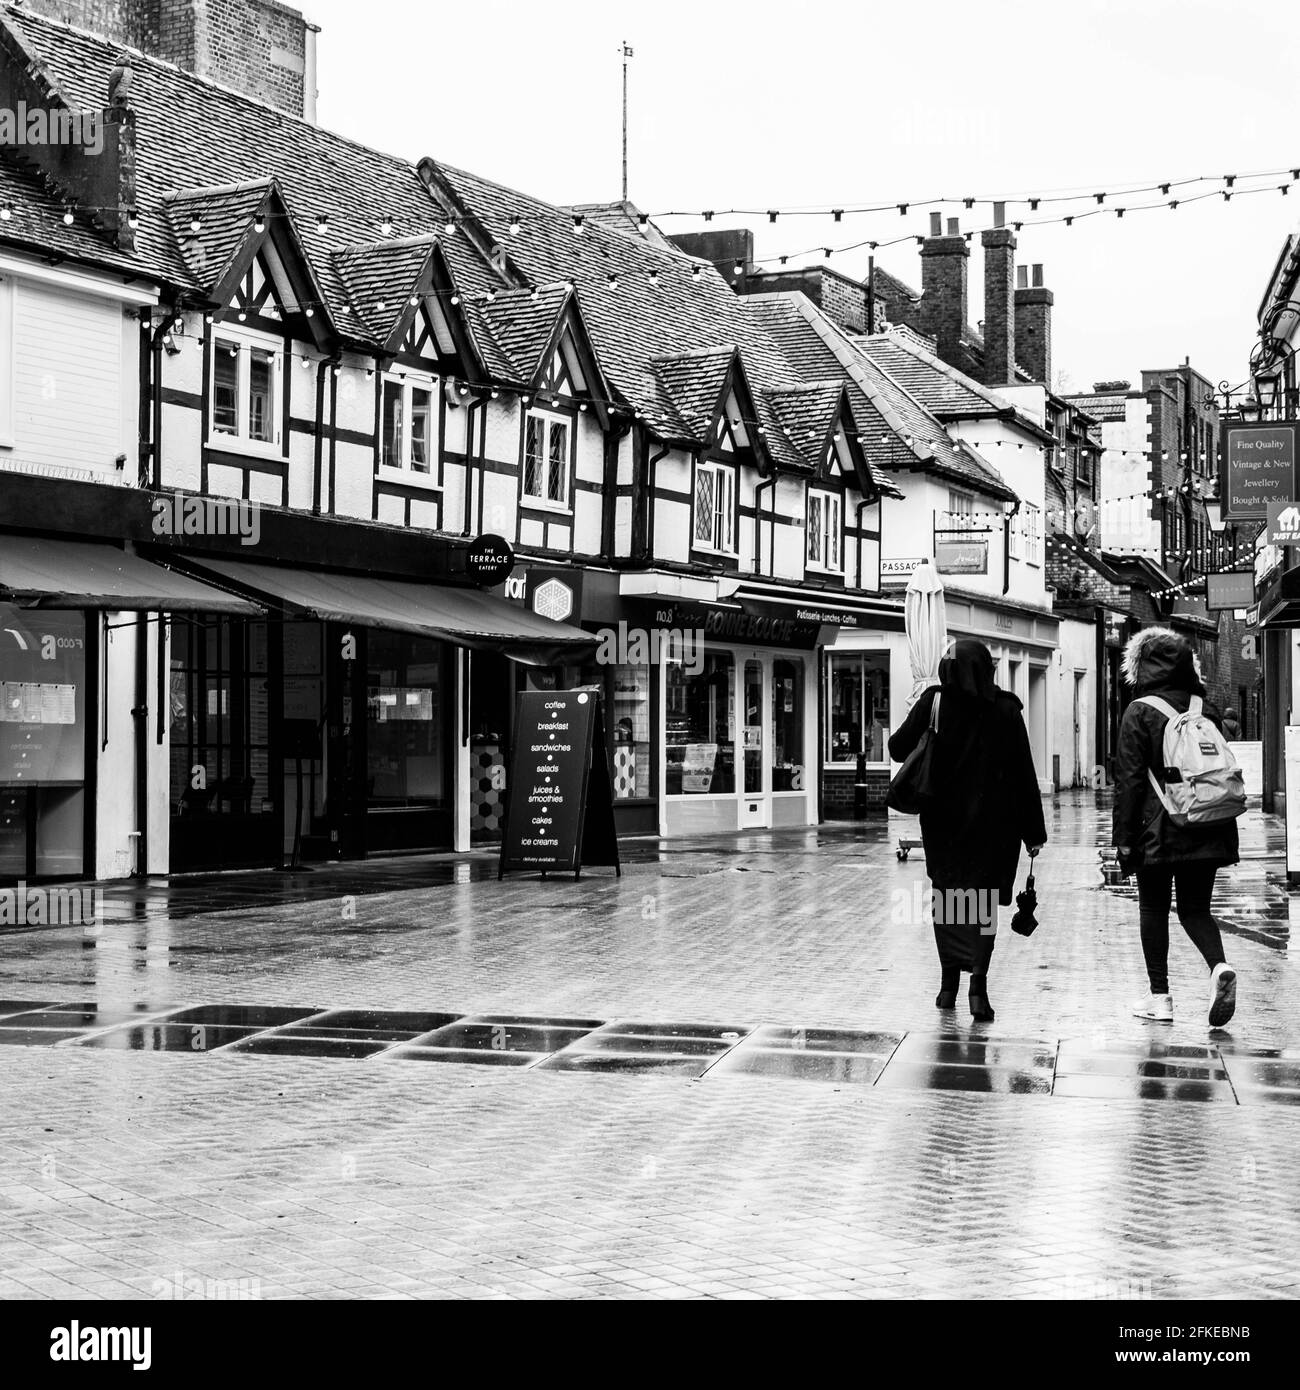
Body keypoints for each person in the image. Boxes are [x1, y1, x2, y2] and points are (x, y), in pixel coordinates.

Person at [888, 639, 1046, 1022]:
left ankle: (947, 987)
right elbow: (1024, 775)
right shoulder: (1007, 709)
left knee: (949, 902)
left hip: (944, 827)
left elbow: (896, 748)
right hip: (995, 829)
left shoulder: (934, 702)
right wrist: (1033, 833)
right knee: (982, 905)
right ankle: (978, 988)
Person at [1113, 627, 1239, 1028]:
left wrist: (1124, 841)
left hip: (1159, 829)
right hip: (1208, 823)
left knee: (1153, 908)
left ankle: (1160, 998)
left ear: (1141, 665)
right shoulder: (1206, 708)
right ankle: (1218, 966)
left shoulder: (1139, 711)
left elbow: (1129, 782)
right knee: (1195, 909)